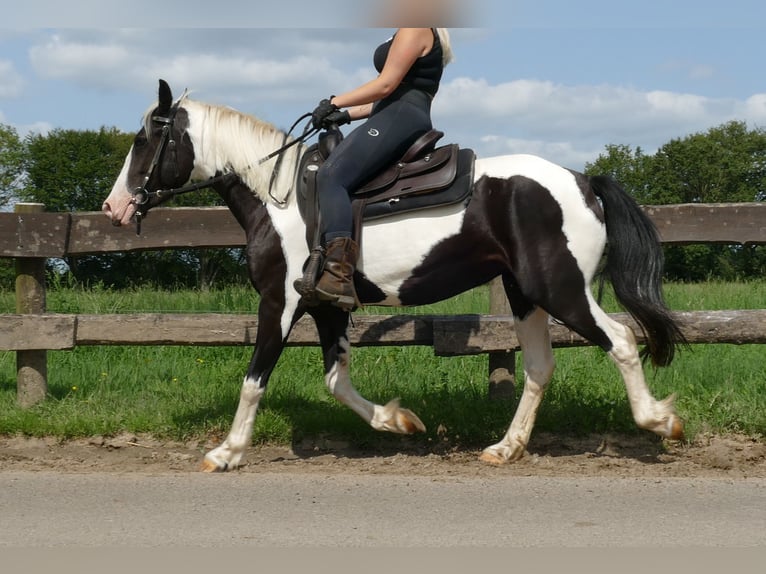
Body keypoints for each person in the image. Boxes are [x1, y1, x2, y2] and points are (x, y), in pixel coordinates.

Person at [307, 27, 454, 311]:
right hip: (395, 112)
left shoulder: (417, 25)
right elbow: (387, 94)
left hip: (402, 115)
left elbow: (386, 85)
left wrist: (333, 102)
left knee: (332, 175)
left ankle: (338, 275)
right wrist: (345, 114)